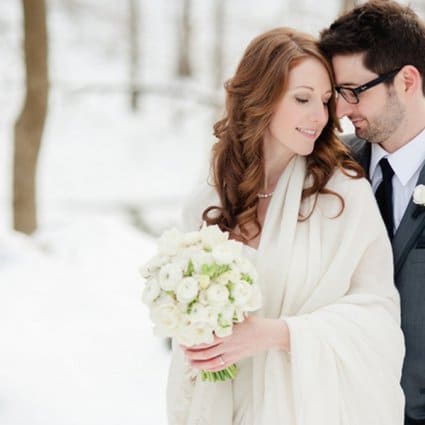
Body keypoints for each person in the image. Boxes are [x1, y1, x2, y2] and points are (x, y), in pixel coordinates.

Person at [167, 27, 404, 425]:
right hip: (228, 409)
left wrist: (279, 334)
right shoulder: (211, 196)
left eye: (326, 101)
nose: (321, 116)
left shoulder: (342, 195)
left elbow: (379, 317)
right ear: (262, 98)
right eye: (302, 99)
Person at [320, 1, 425, 423]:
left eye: (353, 91)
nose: (342, 111)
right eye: (336, 95)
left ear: (407, 80)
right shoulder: (324, 171)